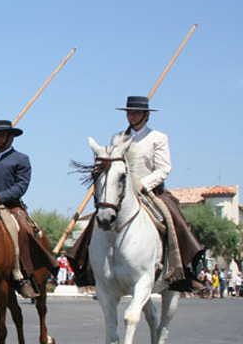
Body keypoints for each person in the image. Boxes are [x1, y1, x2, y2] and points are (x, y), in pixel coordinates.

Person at [68, 96, 204, 292]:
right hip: (121, 191)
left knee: (172, 217)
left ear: (146, 115)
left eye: (137, 112)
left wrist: (143, 184)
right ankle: (87, 268)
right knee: (99, 218)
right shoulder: (117, 138)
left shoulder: (158, 137)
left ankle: (184, 269)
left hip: (149, 190)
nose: (132, 116)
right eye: (129, 112)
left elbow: (164, 169)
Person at [0, 119, 59, 298]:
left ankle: (23, 276)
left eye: (0, 136)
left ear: (10, 138)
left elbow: (21, 186)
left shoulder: (21, 159)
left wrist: (0, 196)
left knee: (22, 232)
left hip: (11, 206)